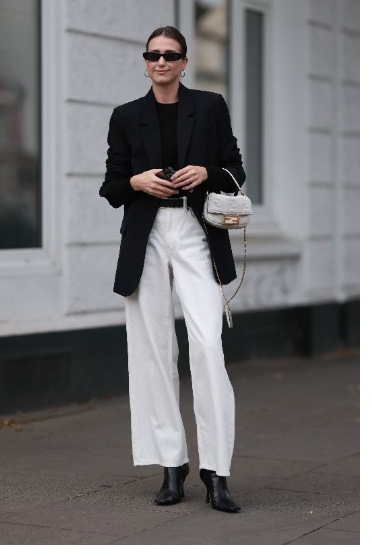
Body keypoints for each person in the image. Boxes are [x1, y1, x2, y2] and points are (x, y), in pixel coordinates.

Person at [98, 26, 245, 514]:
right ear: (145, 62)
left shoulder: (210, 106)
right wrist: (137, 180)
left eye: (171, 55)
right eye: (153, 55)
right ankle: (171, 464)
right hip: (146, 235)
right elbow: (112, 186)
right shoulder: (126, 116)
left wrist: (207, 172)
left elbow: (235, 169)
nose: (161, 62)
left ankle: (217, 470)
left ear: (185, 62)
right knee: (154, 350)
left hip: (196, 229)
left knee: (206, 344)